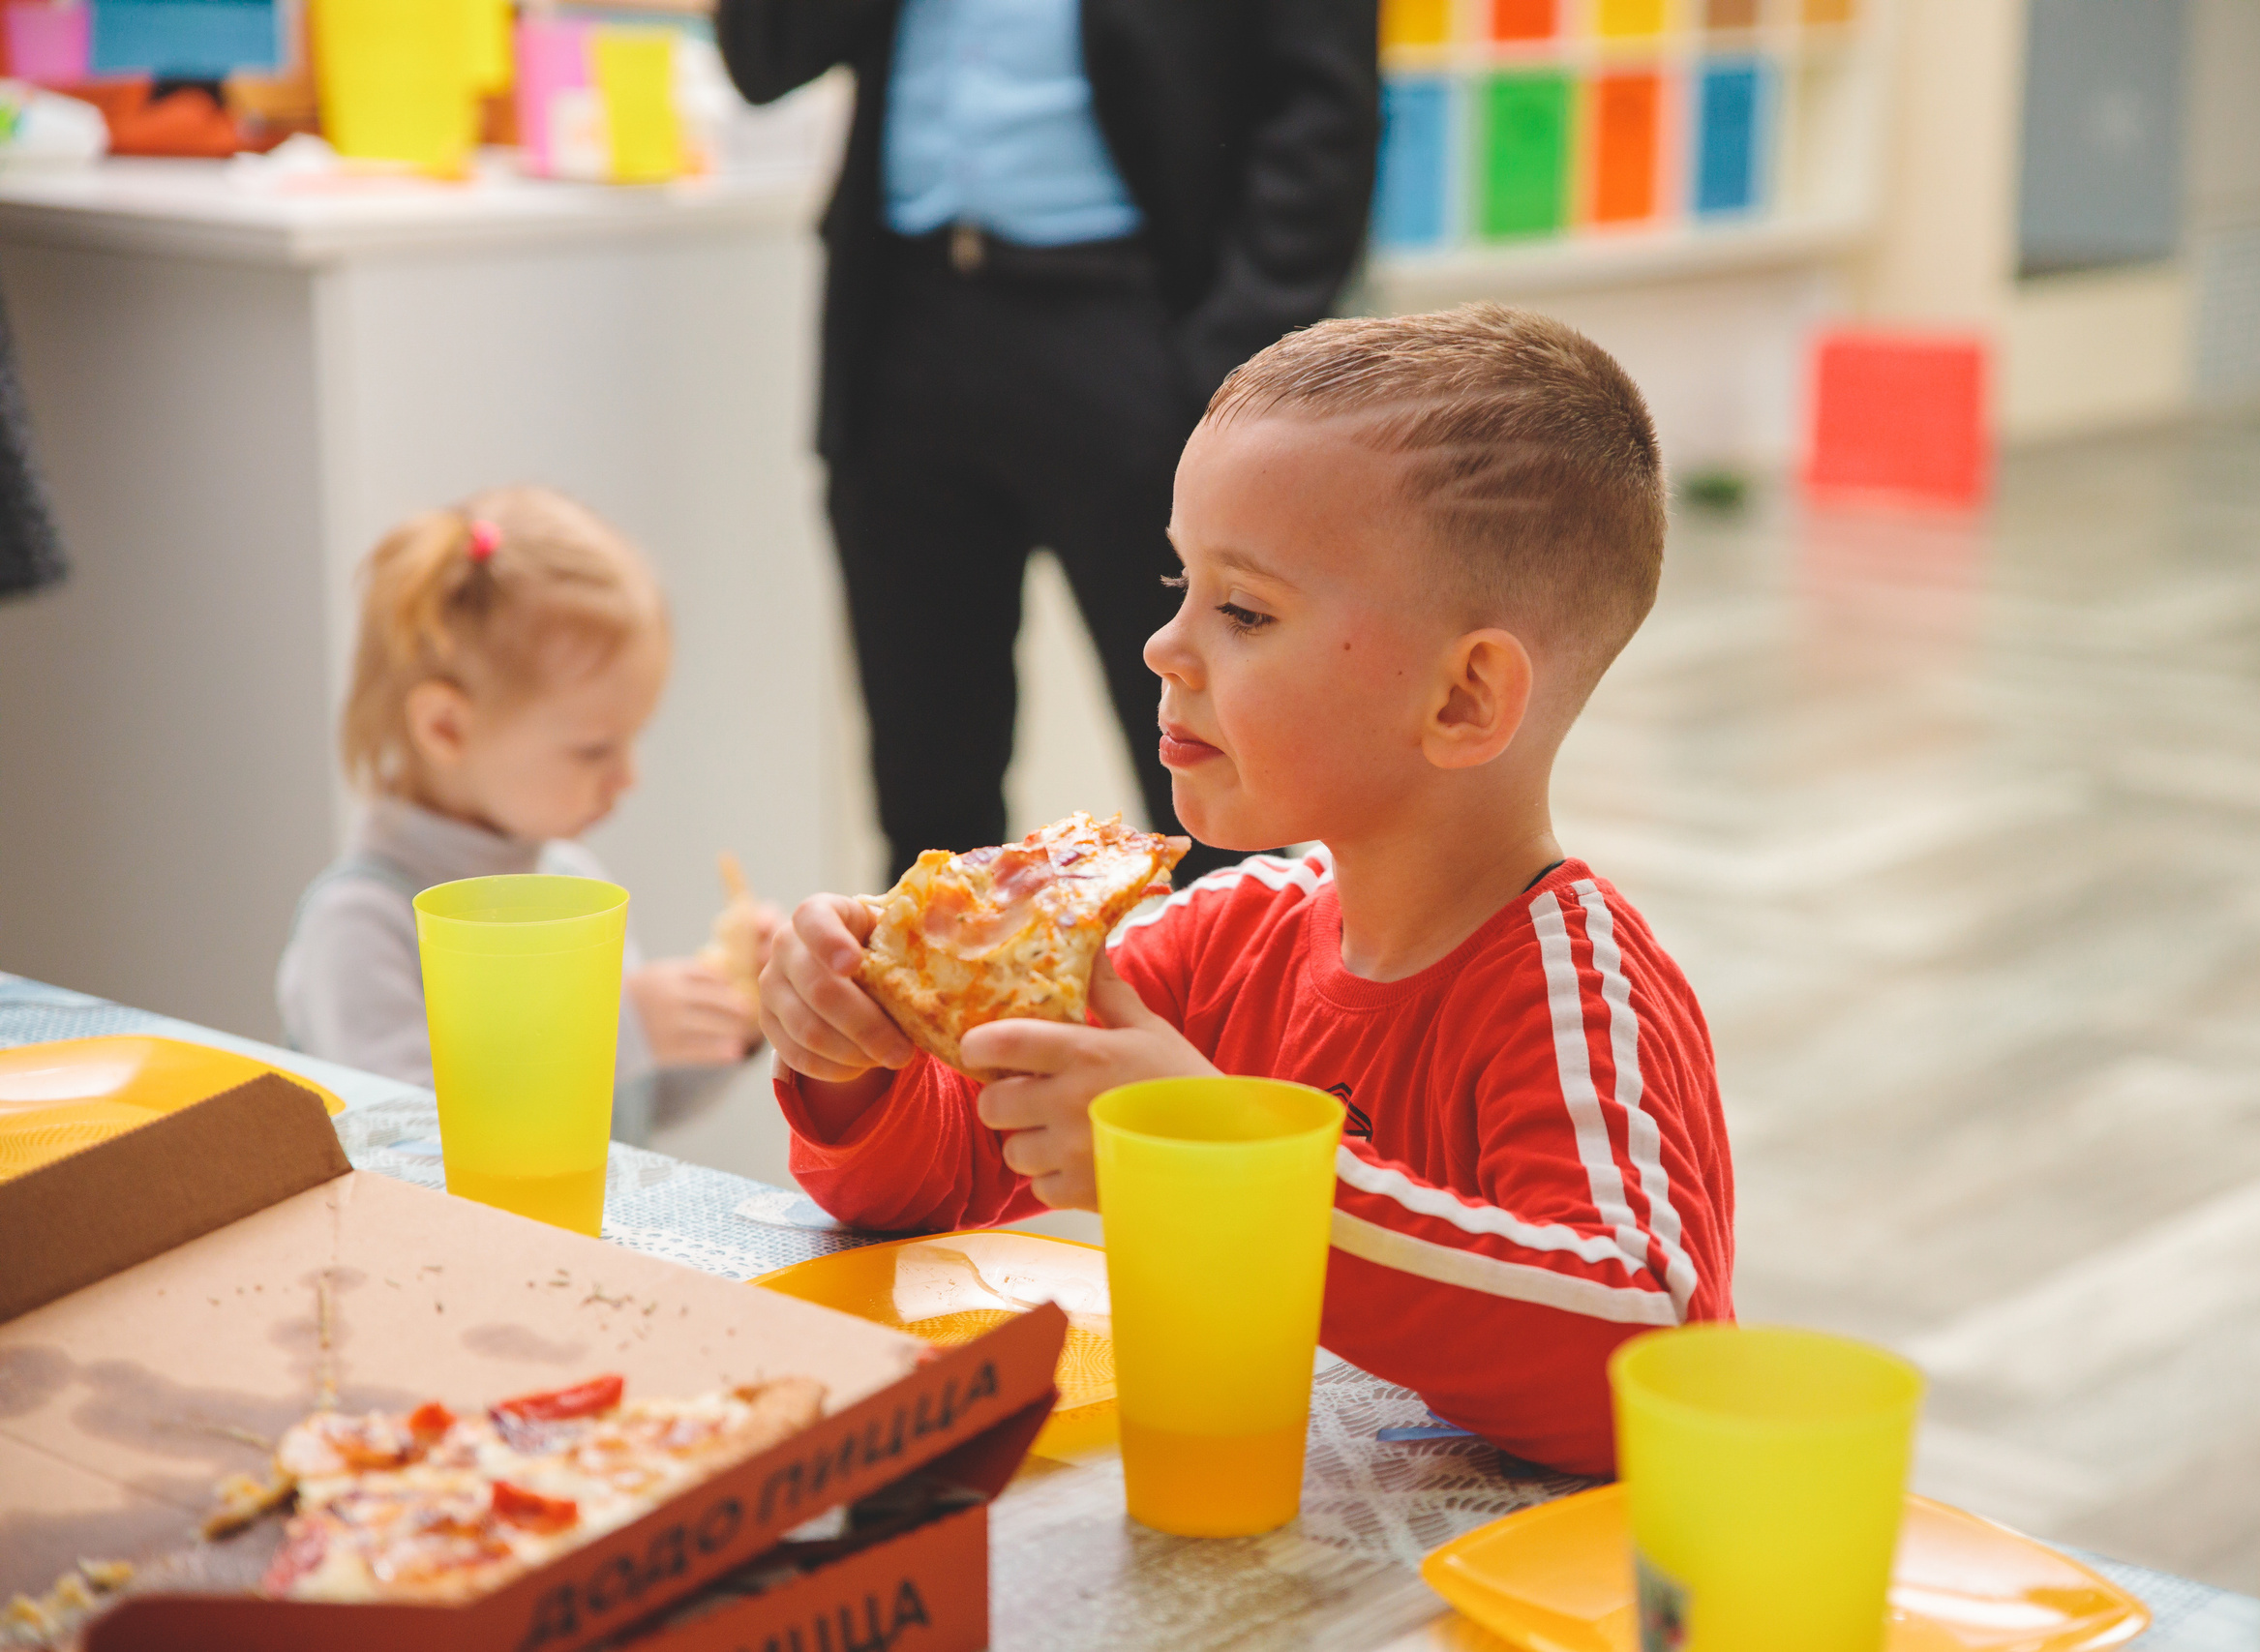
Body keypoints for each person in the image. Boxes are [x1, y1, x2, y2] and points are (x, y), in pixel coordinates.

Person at [757, 306, 1735, 1477]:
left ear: (1465, 699)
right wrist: (860, 1064)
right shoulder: (1219, 939)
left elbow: (1646, 1352)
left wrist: (1229, 1169)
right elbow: (934, 1185)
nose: (1162, 647)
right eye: (1180, 582)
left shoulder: (1577, 995)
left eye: (1243, 610)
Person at [713, 0, 1381, 886]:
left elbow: (1325, 110)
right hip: (902, 314)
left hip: (1133, 318)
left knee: (1223, 798)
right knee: (928, 813)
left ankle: (1240, 1017)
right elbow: (765, 55)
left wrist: (1223, 368)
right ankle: (952, 1023)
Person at [278, 485, 780, 1144]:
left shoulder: (569, 880)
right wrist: (616, 1030)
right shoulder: (364, 926)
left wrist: (735, 1017)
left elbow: (631, 1109)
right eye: (594, 748)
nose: (628, 777)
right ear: (447, 727)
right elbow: (404, 1140)